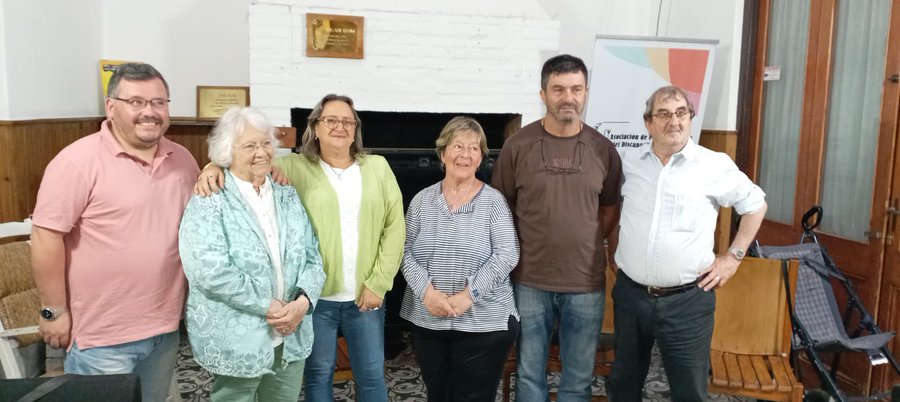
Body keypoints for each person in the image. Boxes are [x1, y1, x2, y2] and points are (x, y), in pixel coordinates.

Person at [195, 94, 405, 402]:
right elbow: (247, 160)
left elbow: (395, 226)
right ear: (315, 127)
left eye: (347, 121)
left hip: (366, 296)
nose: (340, 126)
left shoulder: (378, 167)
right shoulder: (292, 166)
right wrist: (212, 165)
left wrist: (379, 283)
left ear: (355, 130)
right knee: (318, 374)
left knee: (372, 376)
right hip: (313, 300)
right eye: (330, 120)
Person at [30, 62, 199, 402]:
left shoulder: (182, 160)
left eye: (158, 102)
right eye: (136, 102)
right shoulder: (77, 161)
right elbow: (46, 237)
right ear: (111, 107)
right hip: (101, 338)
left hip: (165, 328)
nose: (149, 112)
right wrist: (53, 311)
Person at [608, 85, 767, 402]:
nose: (674, 121)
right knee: (623, 385)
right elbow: (612, 208)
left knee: (689, 391)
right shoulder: (629, 162)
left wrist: (733, 257)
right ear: (648, 123)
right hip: (631, 296)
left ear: (691, 118)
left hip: (687, 302)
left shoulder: (713, 165)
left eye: (681, 112)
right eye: (664, 114)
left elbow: (755, 204)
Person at [491, 54, 623, 401]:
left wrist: (587, 240)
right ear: (543, 94)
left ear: (586, 92)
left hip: (585, 282)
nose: (568, 97)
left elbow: (610, 207)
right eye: (559, 89)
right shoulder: (518, 146)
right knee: (529, 374)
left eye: (576, 89)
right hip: (529, 279)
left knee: (578, 379)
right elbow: (500, 208)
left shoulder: (603, 149)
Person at [178, 107, 325, 401]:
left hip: (291, 330)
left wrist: (302, 303)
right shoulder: (210, 198)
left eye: (266, 143)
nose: (261, 152)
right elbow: (209, 271)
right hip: (239, 337)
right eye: (249, 146)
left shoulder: (286, 193)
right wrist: (267, 306)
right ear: (226, 152)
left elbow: (313, 256)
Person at [400, 116, 520, 401]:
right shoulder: (421, 200)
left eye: (474, 148)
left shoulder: (494, 201)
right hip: (428, 319)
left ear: (480, 158)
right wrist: (426, 292)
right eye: (457, 146)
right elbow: (403, 252)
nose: (465, 154)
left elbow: (507, 254)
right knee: (438, 394)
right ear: (443, 153)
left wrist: (469, 295)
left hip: (485, 323)